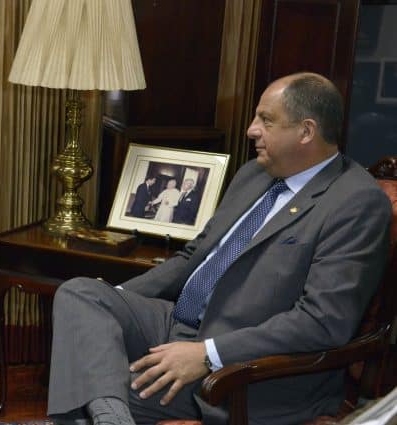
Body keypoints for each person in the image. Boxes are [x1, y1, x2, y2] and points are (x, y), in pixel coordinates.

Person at [47, 72, 392, 425]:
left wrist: (208, 354)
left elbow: (322, 321)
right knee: (81, 294)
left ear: (306, 131)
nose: (251, 129)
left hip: (248, 370)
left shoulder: (355, 202)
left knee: (83, 387)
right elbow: (192, 257)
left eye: (266, 120)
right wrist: (112, 305)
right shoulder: (254, 175)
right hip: (180, 322)